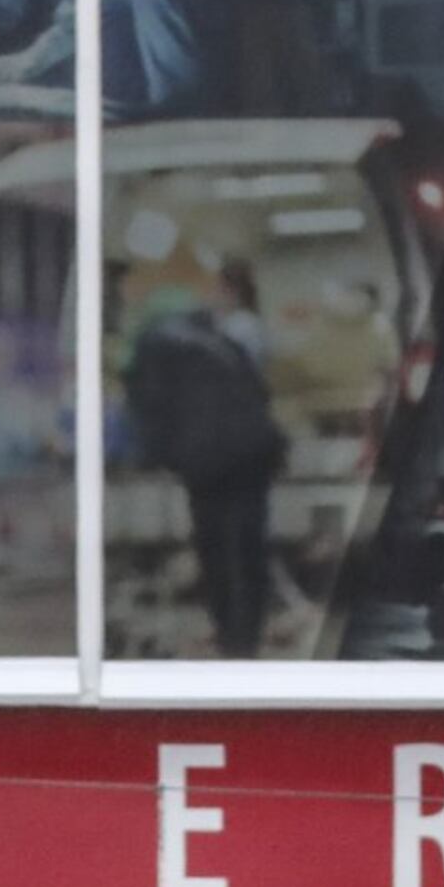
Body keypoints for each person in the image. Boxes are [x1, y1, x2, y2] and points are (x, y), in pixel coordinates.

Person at [128, 261, 287, 657]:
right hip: (252, 452)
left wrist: (154, 459)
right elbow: (259, 392)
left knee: (215, 546)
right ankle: (247, 636)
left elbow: (149, 409)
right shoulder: (222, 338)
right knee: (250, 543)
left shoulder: (153, 344)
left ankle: (228, 634)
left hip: (204, 462)